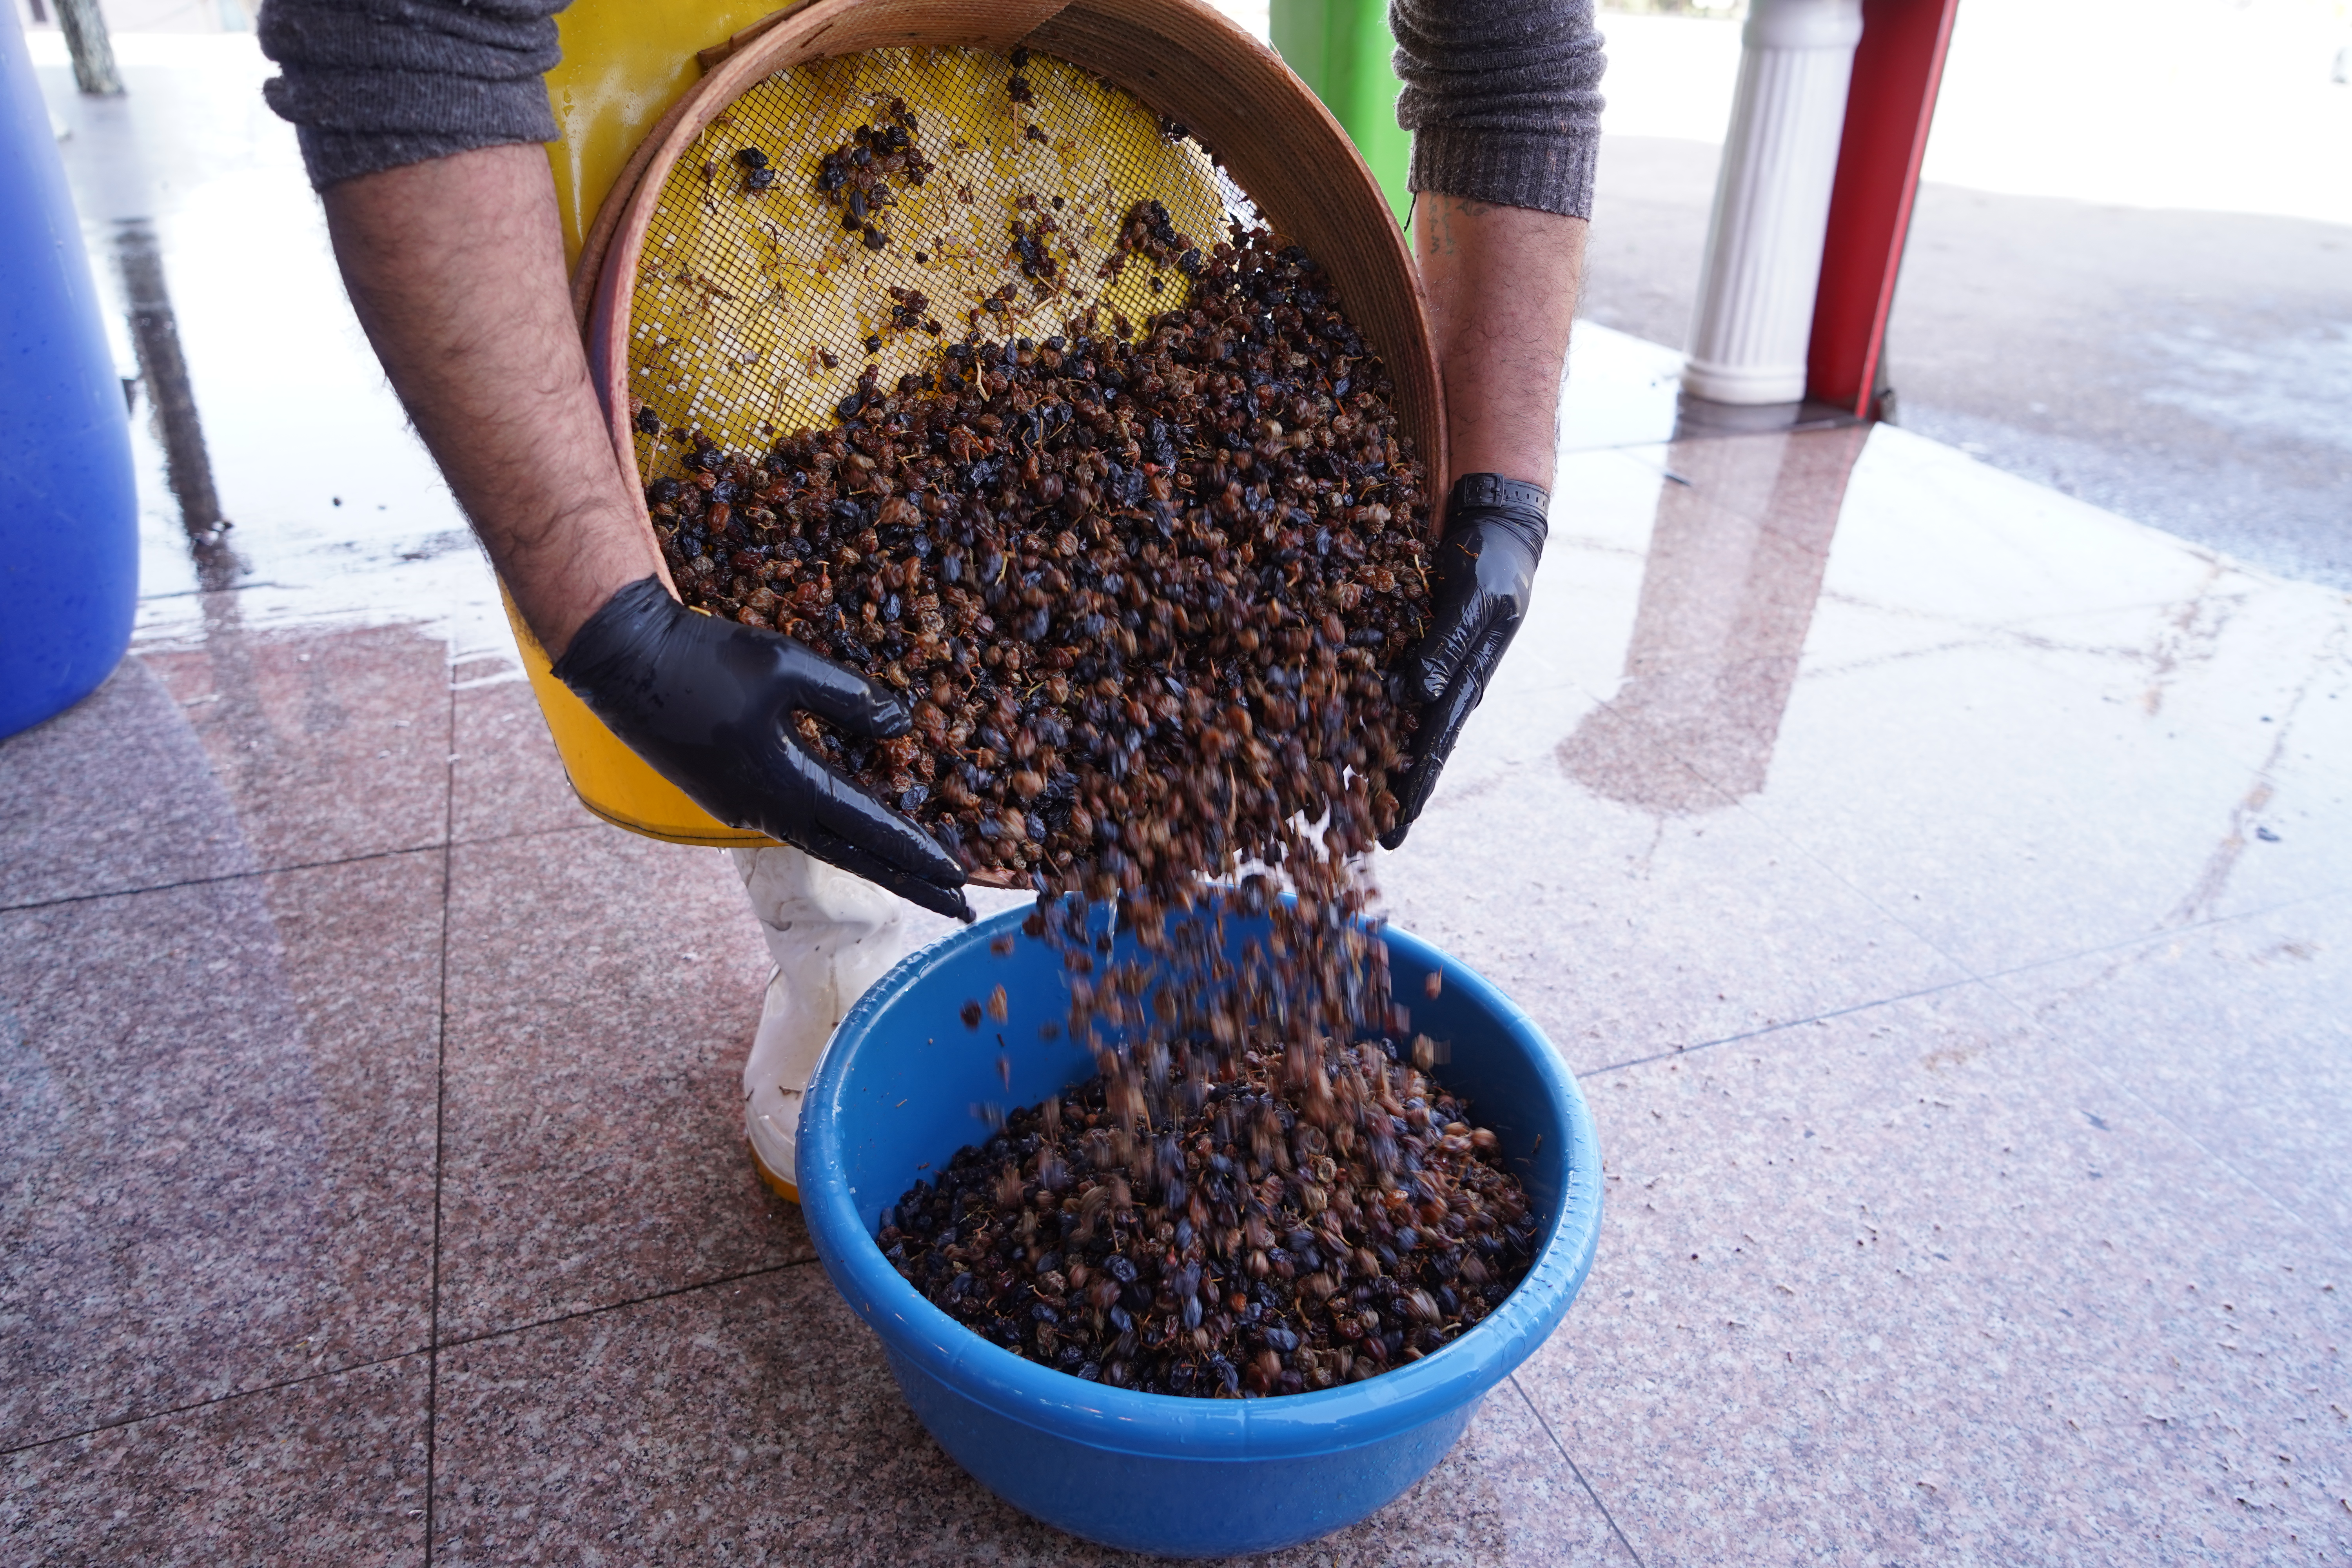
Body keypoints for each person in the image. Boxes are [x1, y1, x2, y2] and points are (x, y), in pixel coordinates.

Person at [257, 0, 1604, 1198]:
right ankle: (835, 969)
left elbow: (1510, 52)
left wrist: (1502, 491)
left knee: (1178, 750)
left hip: (1090, 178)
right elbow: (399, 38)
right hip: (716, 242)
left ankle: (1122, 997)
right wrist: (609, 614)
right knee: (817, 713)